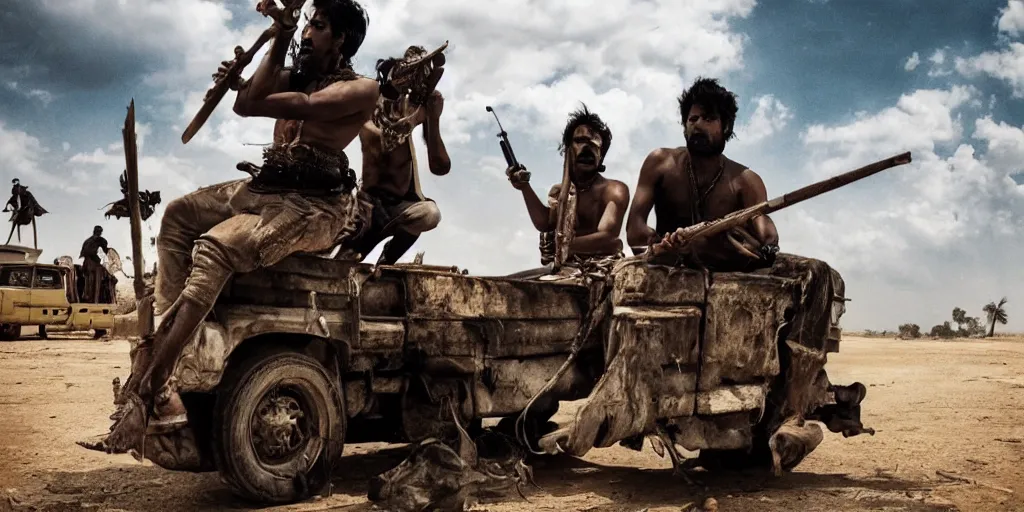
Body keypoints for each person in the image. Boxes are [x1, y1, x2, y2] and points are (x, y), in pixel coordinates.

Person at [100, 0, 378, 453]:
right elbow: (247, 103)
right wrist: (275, 41)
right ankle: (167, 370)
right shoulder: (298, 73)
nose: (309, 35)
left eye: (318, 27)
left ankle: (151, 388)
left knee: (213, 248)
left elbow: (287, 104)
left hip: (313, 208)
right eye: (307, 25)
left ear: (342, 39)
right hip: (267, 189)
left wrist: (256, 72)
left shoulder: (362, 89)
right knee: (177, 215)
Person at [625, 77, 779, 271]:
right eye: (692, 119)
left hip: (721, 272)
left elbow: (764, 231)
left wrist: (768, 244)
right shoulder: (660, 163)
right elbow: (634, 230)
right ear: (684, 126)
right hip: (668, 269)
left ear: (726, 127)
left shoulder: (746, 181)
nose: (697, 125)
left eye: (708, 118)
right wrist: (665, 245)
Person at [344, 45, 450, 265]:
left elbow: (441, 167)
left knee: (429, 214)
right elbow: (378, 139)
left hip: (401, 205)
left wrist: (433, 118)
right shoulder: (369, 103)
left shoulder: (414, 109)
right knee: (343, 262)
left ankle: (387, 261)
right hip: (367, 206)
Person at [506, 104, 629, 273]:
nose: (587, 148)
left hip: (600, 270)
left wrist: (563, 246)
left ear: (602, 156)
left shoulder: (614, 190)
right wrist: (524, 187)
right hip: (563, 268)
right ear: (567, 150)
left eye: (594, 145)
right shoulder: (562, 193)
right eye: (580, 141)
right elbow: (545, 223)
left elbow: (608, 236)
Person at [79, 226, 110, 303]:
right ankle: (93, 300)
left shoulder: (87, 241)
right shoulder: (99, 240)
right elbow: (104, 250)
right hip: (92, 264)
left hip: (86, 263)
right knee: (95, 283)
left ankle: (87, 297)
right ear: (100, 232)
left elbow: (84, 253)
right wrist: (98, 259)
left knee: (88, 283)